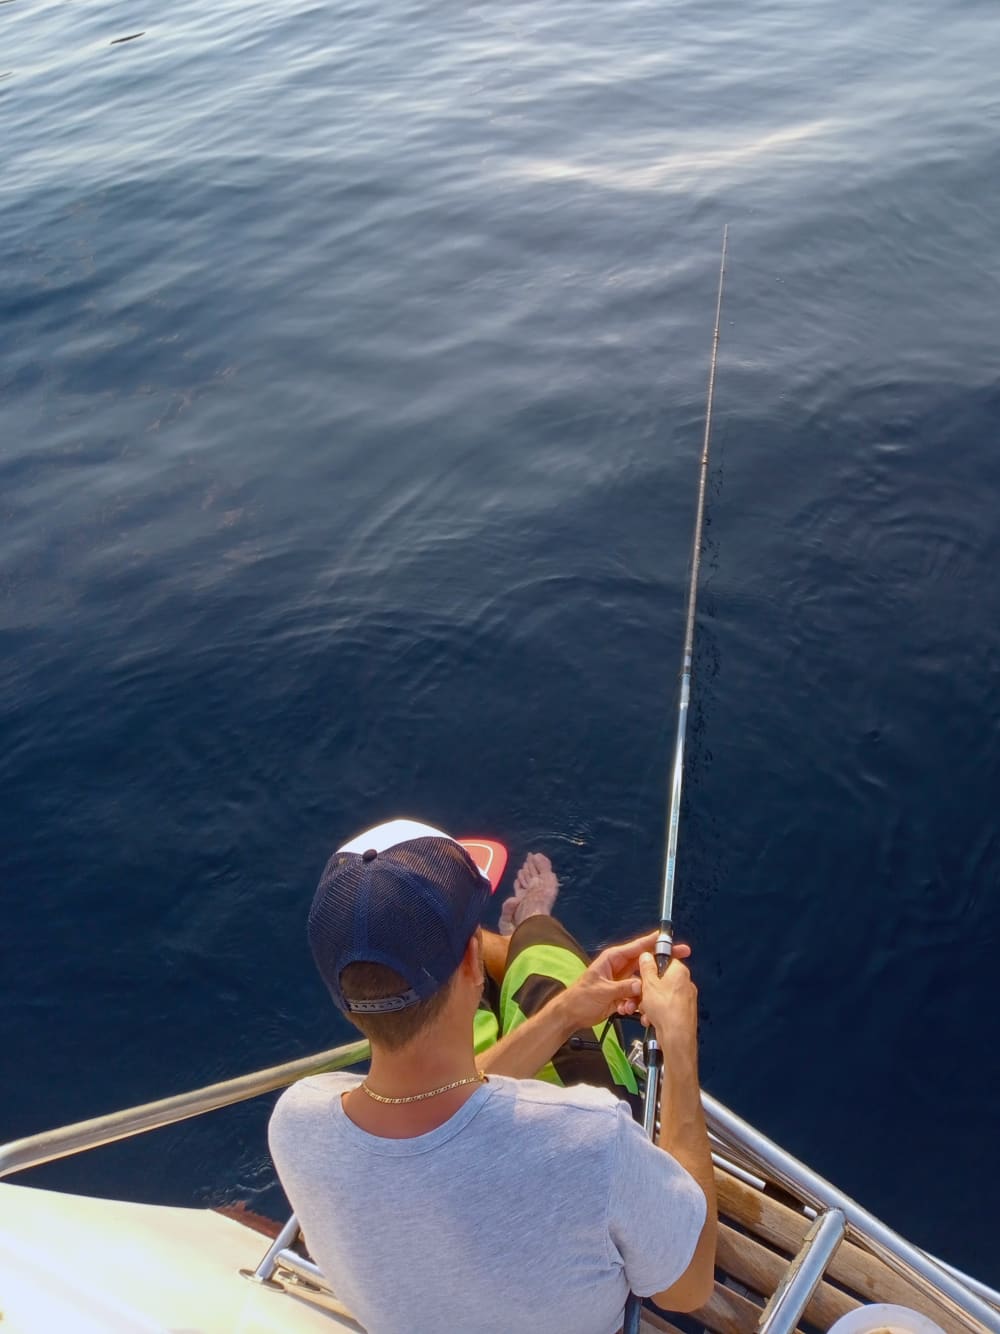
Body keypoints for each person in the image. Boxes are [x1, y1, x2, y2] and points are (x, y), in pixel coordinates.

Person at [269, 819, 717, 1334]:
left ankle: (518, 950)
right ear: (470, 958)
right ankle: (532, 925)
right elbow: (689, 1288)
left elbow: (437, 1112)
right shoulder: (592, 1138)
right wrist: (680, 1044)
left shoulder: (295, 1122)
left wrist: (568, 1013)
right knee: (541, 967)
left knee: (507, 1003)